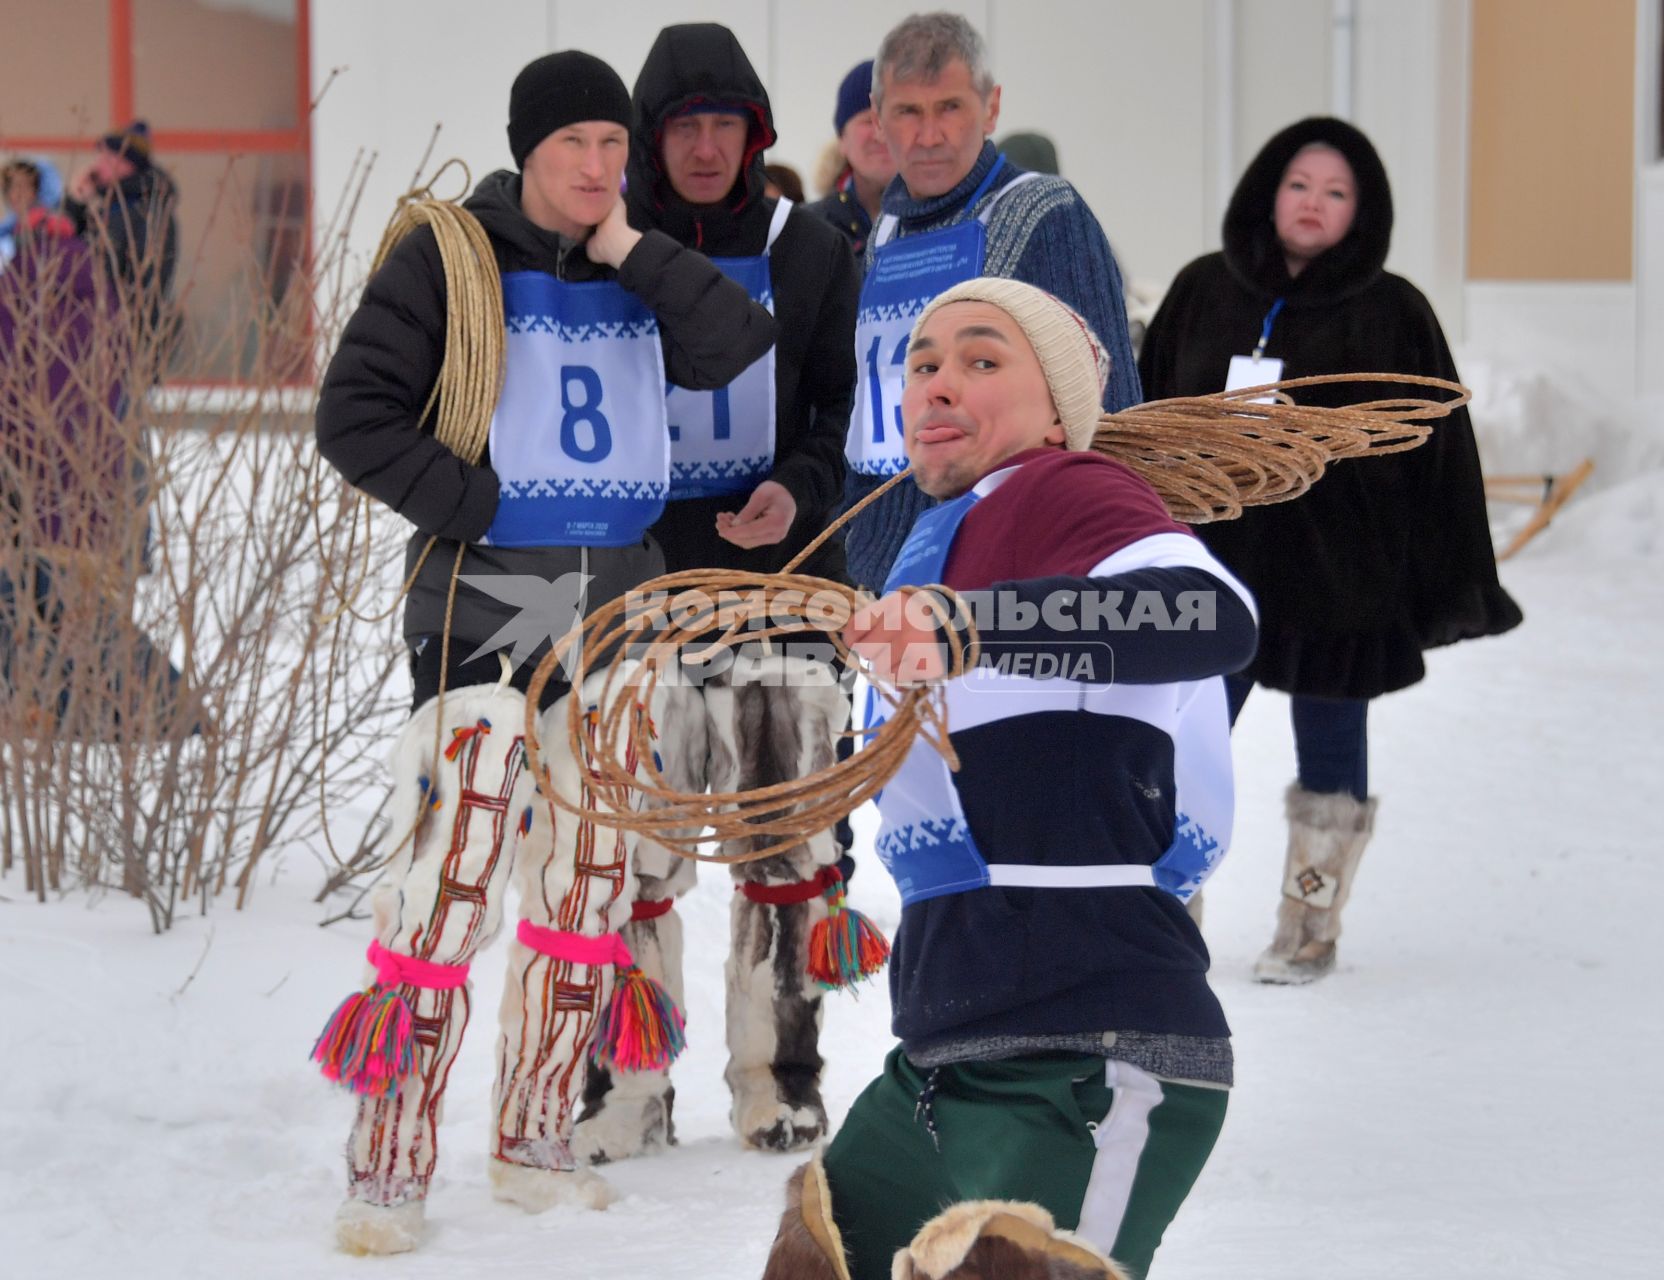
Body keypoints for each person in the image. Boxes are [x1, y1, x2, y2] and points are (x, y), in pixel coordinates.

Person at [311, 49, 775, 1254]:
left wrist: (630, 247)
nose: (599, 166)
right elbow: (351, 414)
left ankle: (533, 1139)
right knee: (449, 879)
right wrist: (471, 502)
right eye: (576, 145)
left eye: (614, 145)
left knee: (586, 883)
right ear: (527, 148)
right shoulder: (450, 255)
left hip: (616, 611)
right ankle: (390, 1160)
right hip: (483, 604)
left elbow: (738, 346)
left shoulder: (640, 257)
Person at [762, 278, 1258, 1280]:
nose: (941, 382)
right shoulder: (937, 535)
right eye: (923, 362)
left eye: (983, 361)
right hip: (945, 1058)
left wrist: (975, 626)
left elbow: (1210, 616)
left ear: (1055, 407)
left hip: (1090, 1048)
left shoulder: (1060, 487)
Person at [569, 20, 862, 1164]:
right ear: (649, 137)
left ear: (756, 133)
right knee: (630, 853)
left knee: (785, 848)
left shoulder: (807, 247)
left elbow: (838, 414)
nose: (702, 147)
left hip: (779, 587)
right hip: (634, 591)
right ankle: (627, 1085)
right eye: (681, 125)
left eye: (723, 124)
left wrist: (795, 486)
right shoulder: (591, 249)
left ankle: (774, 1076)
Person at [1138, 117, 1521, 984]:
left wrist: (1438, 572)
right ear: (1268, 192)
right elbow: (1146, 414)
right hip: (1213, 574)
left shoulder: (1395, 311)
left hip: (1339, 579)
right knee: (1182, 743)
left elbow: (1437, 450)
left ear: (1364, 212)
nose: (1314, 204)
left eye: (1337, 192)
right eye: (1300, 185)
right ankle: (1165, 911)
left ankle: (1310, 920)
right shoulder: (1203, 291)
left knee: (1331, 747)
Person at [841, 11, 1143, 594]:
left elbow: (1109, 410)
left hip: (1011, 560)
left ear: (992, 107)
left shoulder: (1043, 212)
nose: (929, 135)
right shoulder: (885, 234)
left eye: (950, 107)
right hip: (888, 563)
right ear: (878, 119)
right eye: (908, 111)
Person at [64, 121, 178, 339]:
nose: (98, 165)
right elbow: (66, 246)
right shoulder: (110, 206)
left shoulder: (146, 211)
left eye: (107, 158)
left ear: (127, 164)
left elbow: (145, 281)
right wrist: (76, 202)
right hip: (97, 326)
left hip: (125, 331)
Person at [807, 59, 896, 259]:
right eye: (867, 121)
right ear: (842, 140)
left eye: (892, 117)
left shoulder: (945, 223)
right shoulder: (808, 229)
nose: (880, 133)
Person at [1, 156, 66, 270]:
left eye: (24, 187)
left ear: (37, 190)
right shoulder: (9, 227)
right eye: (11, 187)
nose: (16, 194)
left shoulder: (48, 223)